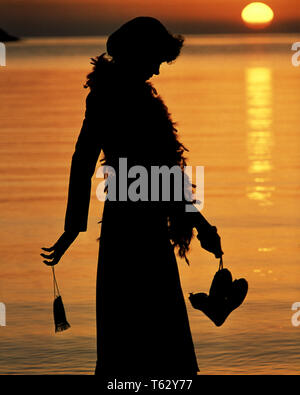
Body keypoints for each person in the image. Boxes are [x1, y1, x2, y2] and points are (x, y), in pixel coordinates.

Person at [41, 17, 223, 377]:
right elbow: (102, 162)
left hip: (128, 222)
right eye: (156, 59)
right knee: (153, 332)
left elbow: (156, 173)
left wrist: (73, 228)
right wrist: (72, 228)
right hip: (135, 228)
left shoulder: (116, 94)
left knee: (131, 330)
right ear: (139, 53)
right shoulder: (120, 98)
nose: (157, 70)